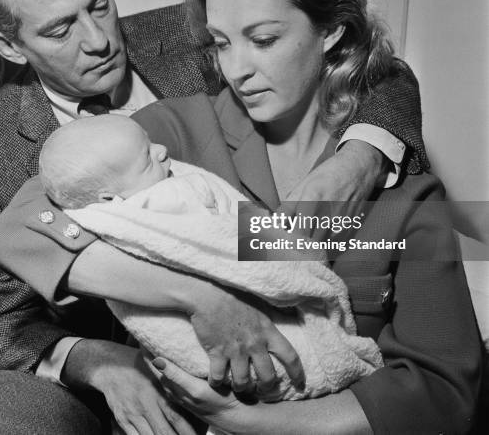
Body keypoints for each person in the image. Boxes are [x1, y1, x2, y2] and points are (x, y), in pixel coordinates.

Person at [0, 0, 429, 435]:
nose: (97, 40)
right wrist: (107, 362)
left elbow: (372, 66)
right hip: (87, 356)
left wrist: (360, 155)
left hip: (243, 353)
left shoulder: (199, 37)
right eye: (60, 30)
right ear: (9, 48)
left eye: (99, 4)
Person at [35, 114, 384, 403]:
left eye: (149, 141)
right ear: (109, 198)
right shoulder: (149, 200)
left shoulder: (113, 189)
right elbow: (221, 240)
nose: (161, 150)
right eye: (146, 157)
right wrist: (204, 297)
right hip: (197, 360)